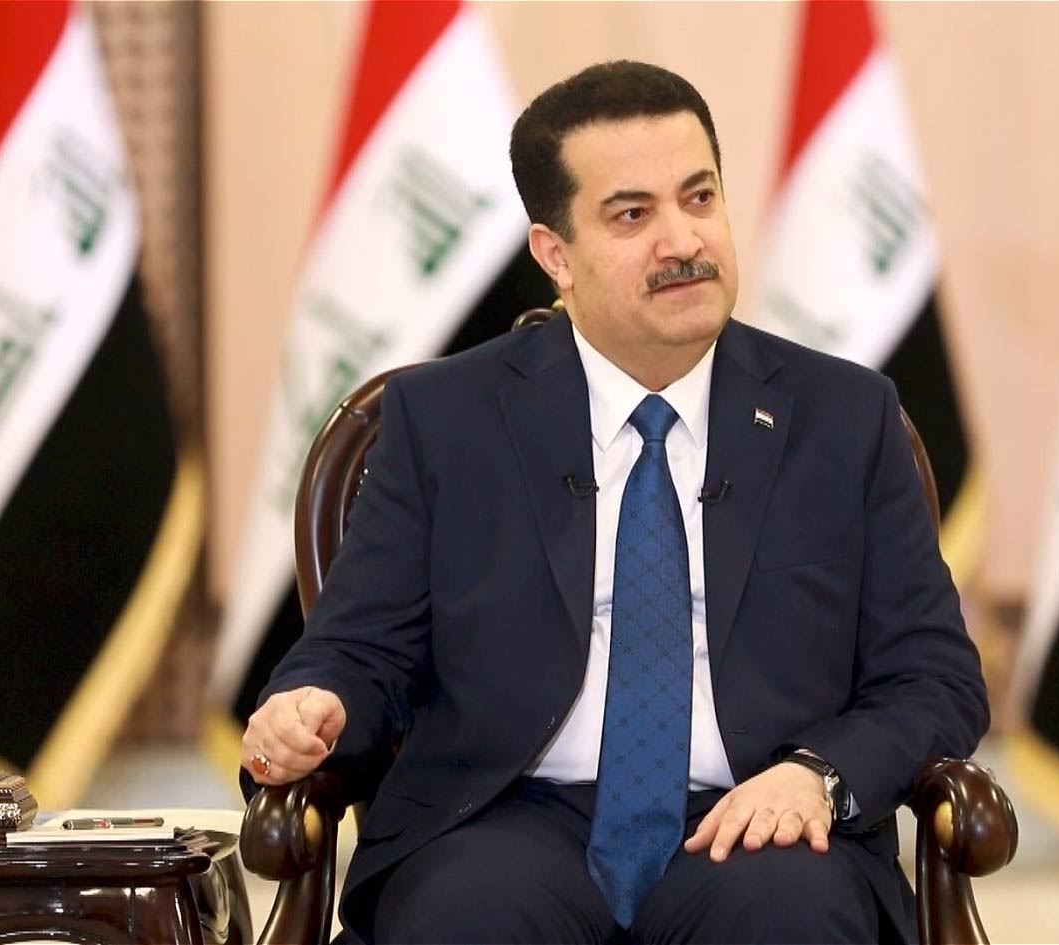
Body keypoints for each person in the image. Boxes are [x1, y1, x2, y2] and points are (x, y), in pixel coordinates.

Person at [241, 60, 988, 944]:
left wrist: (819, 774)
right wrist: (311, 708)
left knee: (791, 914)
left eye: (699, 197)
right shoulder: (445, 419)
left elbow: (934, 676)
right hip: (506, 815)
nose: (682, 240)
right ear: (555, 254)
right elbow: (359, 651)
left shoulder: (845, 417)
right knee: (465, 916)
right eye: (633, 215)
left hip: (763, 817)